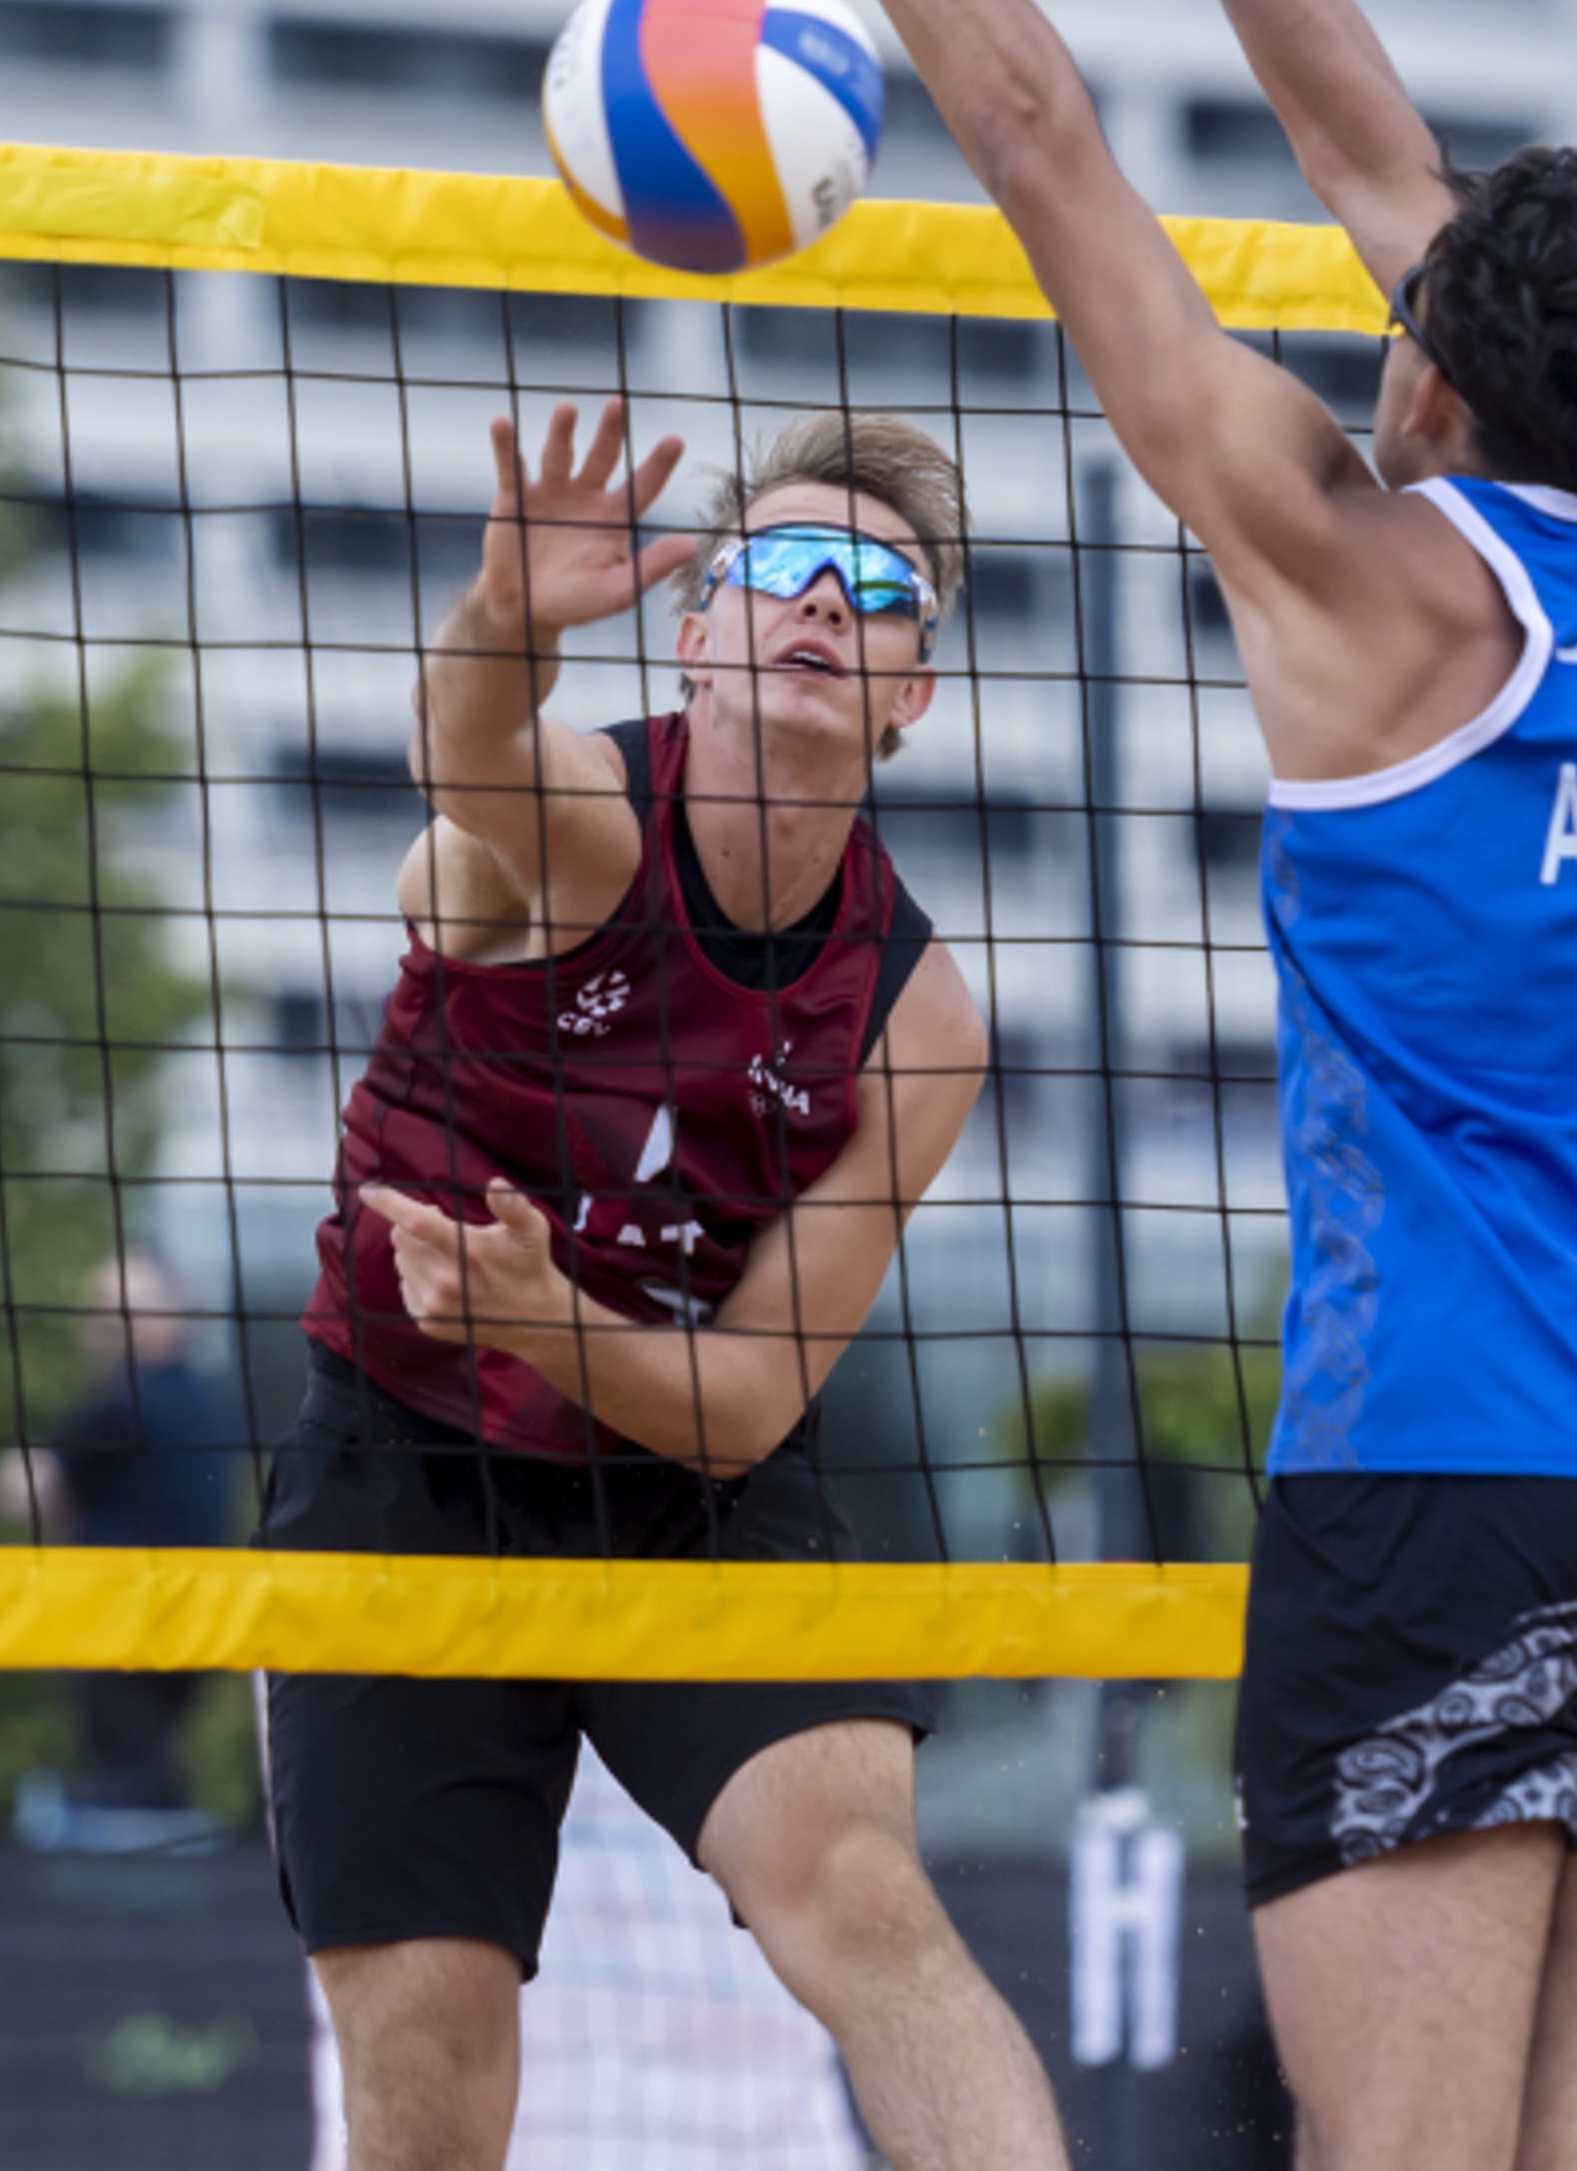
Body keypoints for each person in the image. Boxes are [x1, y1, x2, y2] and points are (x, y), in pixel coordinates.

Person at [575, 0, 1577, 2171]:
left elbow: (1032, 133)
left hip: (1448, 1479)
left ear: (1439, 390)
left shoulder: (1359, 579)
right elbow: (1391, 170)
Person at [263, 395, 1054, 2171]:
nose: (825, 604)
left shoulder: (919, 1021)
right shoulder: (578, 828)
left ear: (914, 689)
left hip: (685, 1490)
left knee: (862, 1900)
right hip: (403, 1468)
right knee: (426, 2077)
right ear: (696, 627)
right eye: (781, 564)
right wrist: (508, 621)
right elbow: (472, 758)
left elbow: (754, 1400)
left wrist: (542, 1312)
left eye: (880, 588)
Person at [0, 1246, 250, 1836]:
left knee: (130, 1779)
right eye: (103, 1308)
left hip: (119, 1617)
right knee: (148, 1771)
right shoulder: (208, 1400)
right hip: (194, 1620)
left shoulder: (122, 1403)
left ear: (174, 1311)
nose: (111, 1321)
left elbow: (15, 1490)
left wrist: (54, 1488)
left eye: (125, 1306)